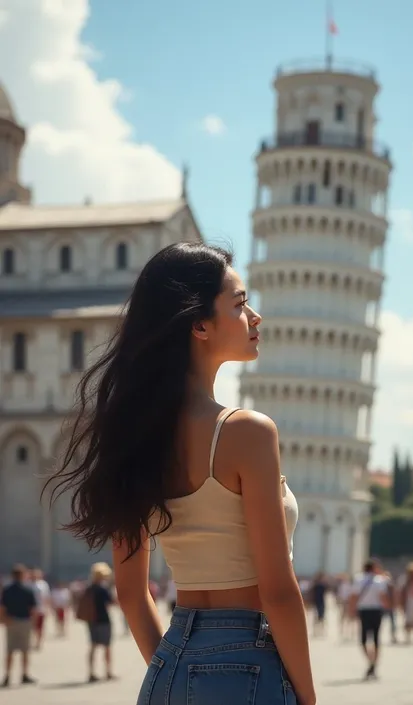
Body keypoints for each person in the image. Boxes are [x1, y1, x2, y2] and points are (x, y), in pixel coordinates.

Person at [45, 243, 314, 705]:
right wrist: (308, 698)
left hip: (169, 662)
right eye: (240, 303)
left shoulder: (134, 437)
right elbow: (277, 590)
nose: (255, 317)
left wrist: (177, 670)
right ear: (199, 324)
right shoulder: (245, 431)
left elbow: (131, 594)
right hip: (251, 656)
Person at [350, 559, 389, 680]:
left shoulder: (358, 579)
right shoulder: (380, 580)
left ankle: (370, 662)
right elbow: (383, 597)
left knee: (363, 639)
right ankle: (374, 663)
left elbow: (354, 596)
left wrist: (351, 610)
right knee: (376, 639)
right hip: (376, 611)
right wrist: (388, 607)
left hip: (364, 611)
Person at [0, 564, 37, 687]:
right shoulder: (28, 589)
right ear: (23, 575)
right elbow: (33, 608)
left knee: (10, 650)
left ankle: (7, 675)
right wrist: (34, 622)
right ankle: (24, 674)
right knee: (25, 650)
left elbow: (2, 607)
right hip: (24, 621)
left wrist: (4, 620)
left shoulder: (7, 589)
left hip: (11, 621)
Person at [83, 563, 116, 682]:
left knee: (92, 646)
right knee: (107, 646)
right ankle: (108, 672)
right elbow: (111, 602)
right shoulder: (103, 589)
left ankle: (91, 672)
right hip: (103, 620)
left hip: (91, 620)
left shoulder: (89, 588)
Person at [398, 562, 413, 644]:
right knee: (408, 621)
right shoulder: (405, 580)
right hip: (409, 602)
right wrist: (401, 604)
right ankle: (408, 636)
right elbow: (401, 593)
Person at [30, 568, 50, 650]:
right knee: (33, 627)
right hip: (31, 610)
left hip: (41, 609)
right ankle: (33, 640)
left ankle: (39, 642)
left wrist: (47, 608)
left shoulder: (43, 584)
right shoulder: (28, 584)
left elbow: (47, 597)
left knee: (40, 627)